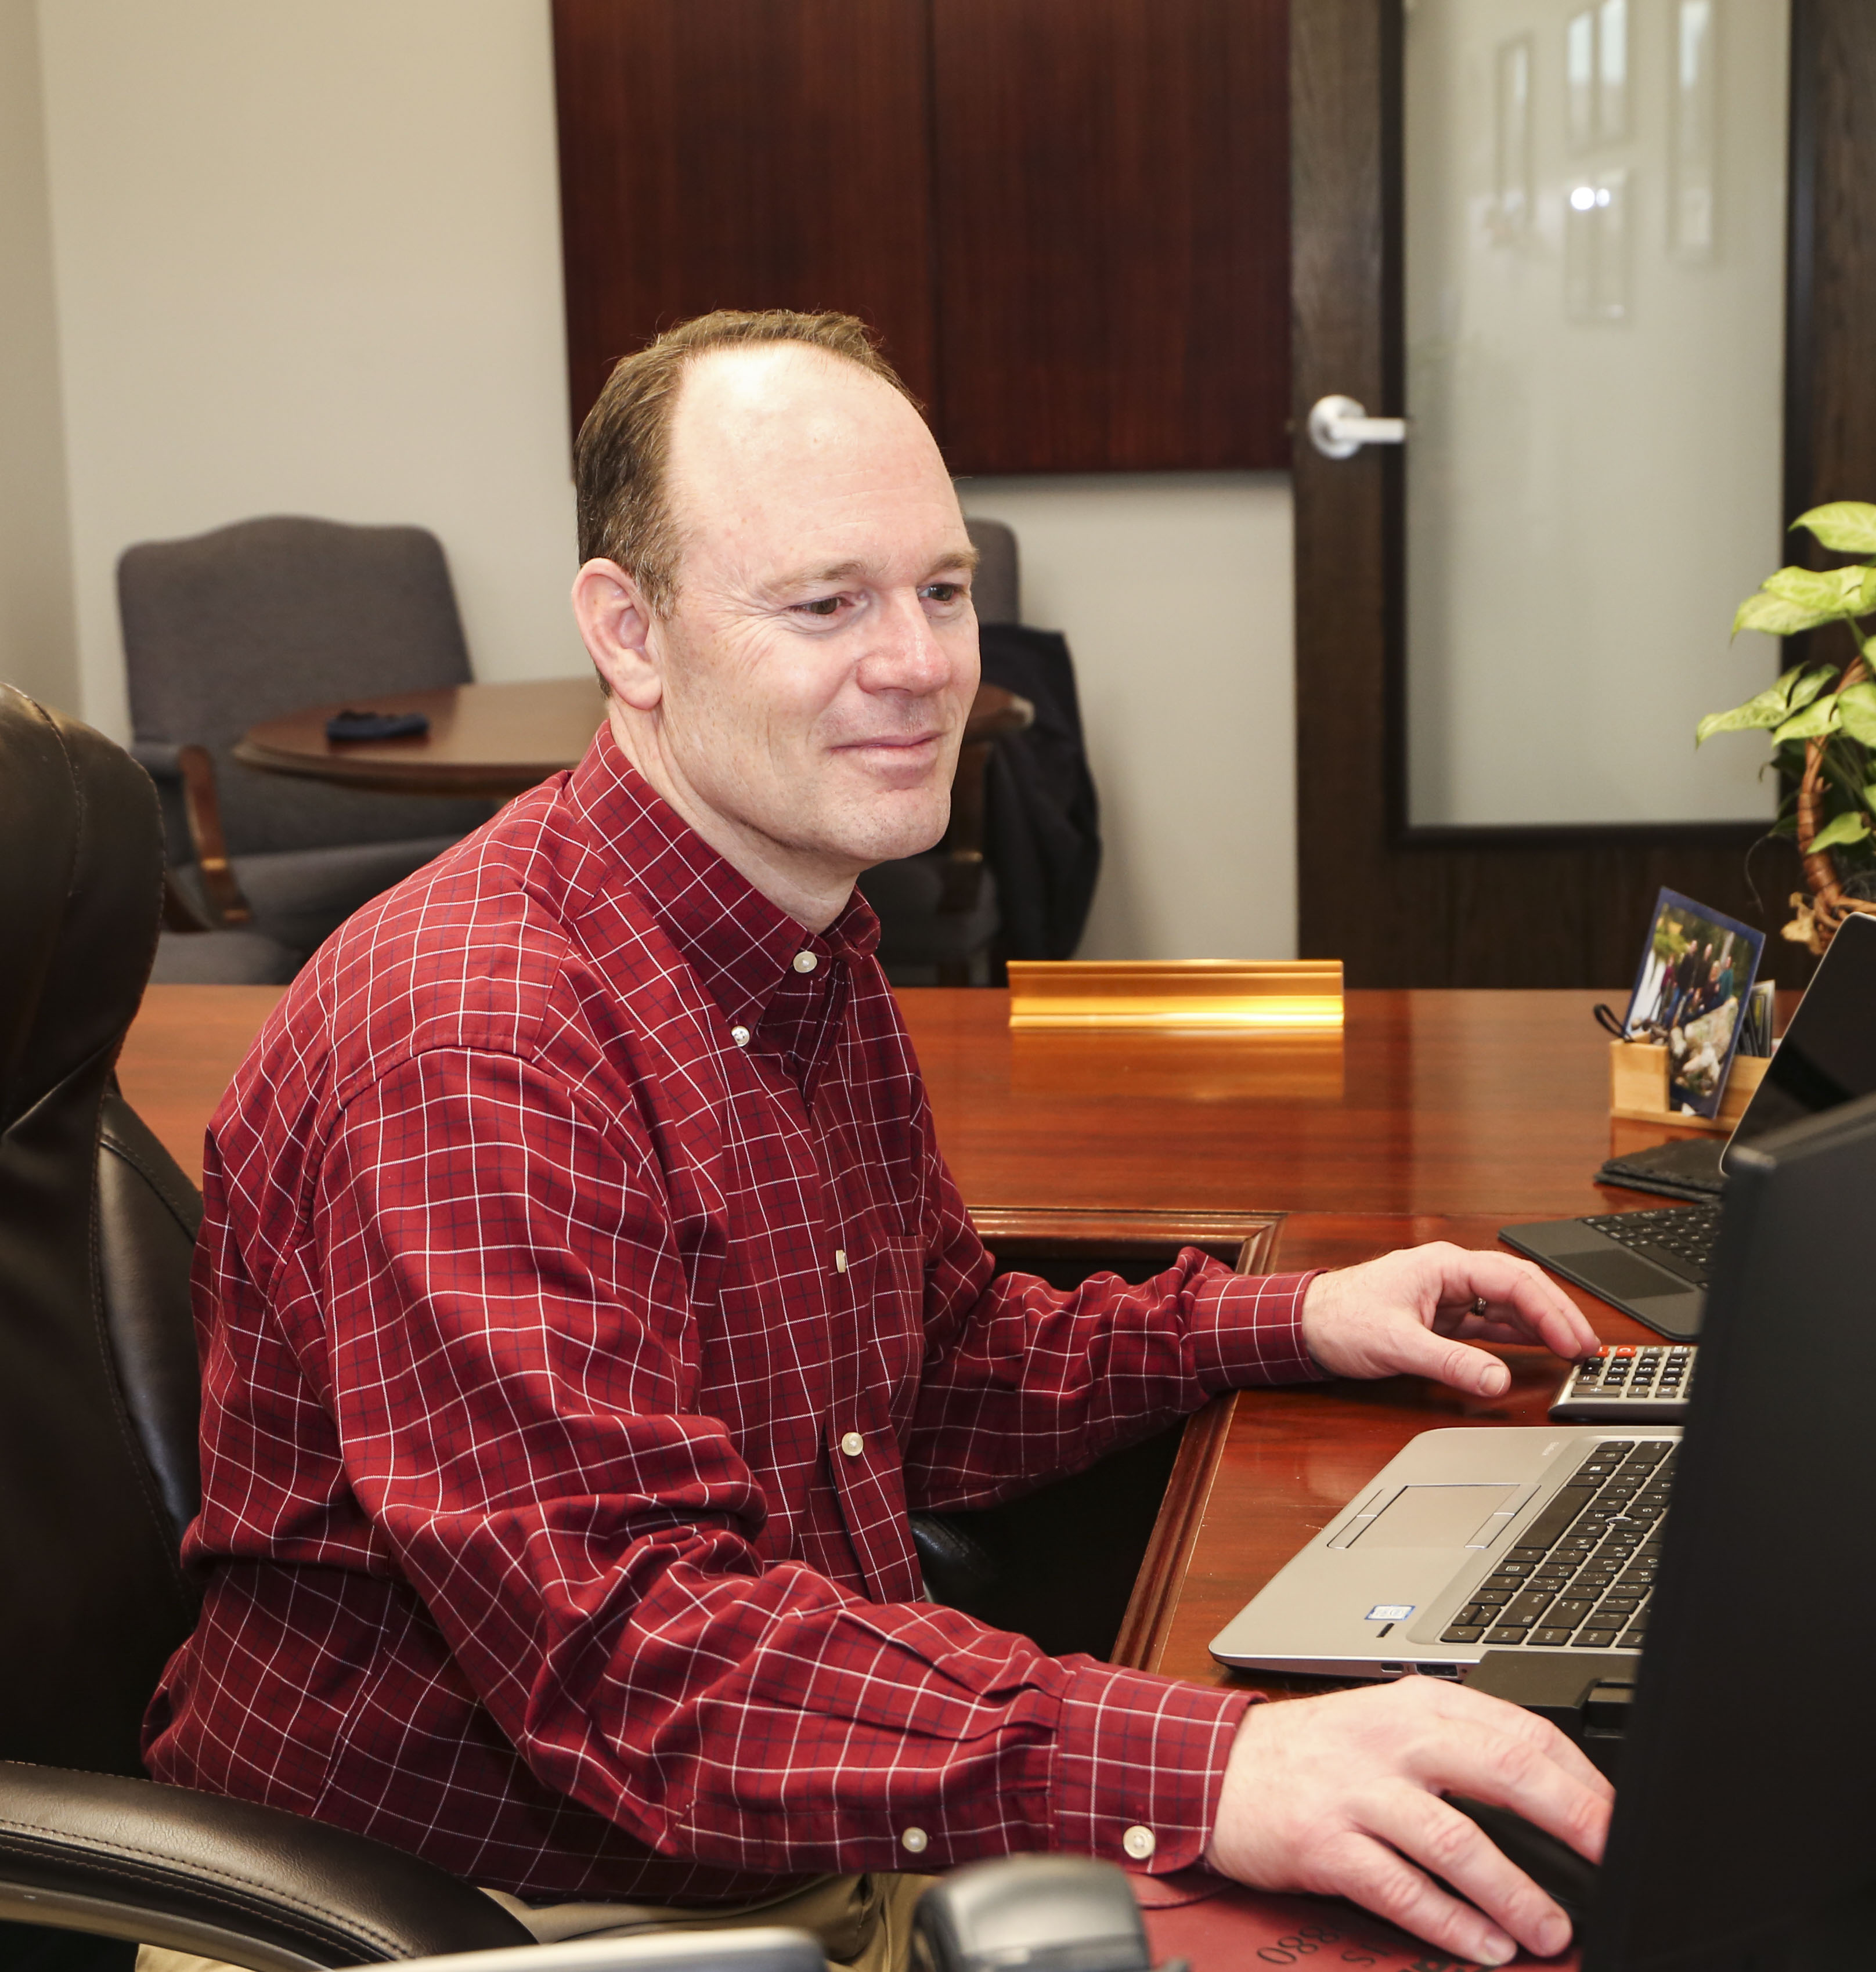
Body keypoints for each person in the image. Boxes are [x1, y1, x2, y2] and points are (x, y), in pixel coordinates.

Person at [142, 312, 1611, 1972]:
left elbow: (936, 1373)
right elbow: (641, 1661)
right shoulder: (479, 1039)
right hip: (477, 1916)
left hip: (752, 1837)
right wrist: (1210, 1768)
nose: (919, 663)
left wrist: (1291, 1319)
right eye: (825, 603)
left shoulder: (800, 938)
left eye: (942, 589)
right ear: (630, 632)